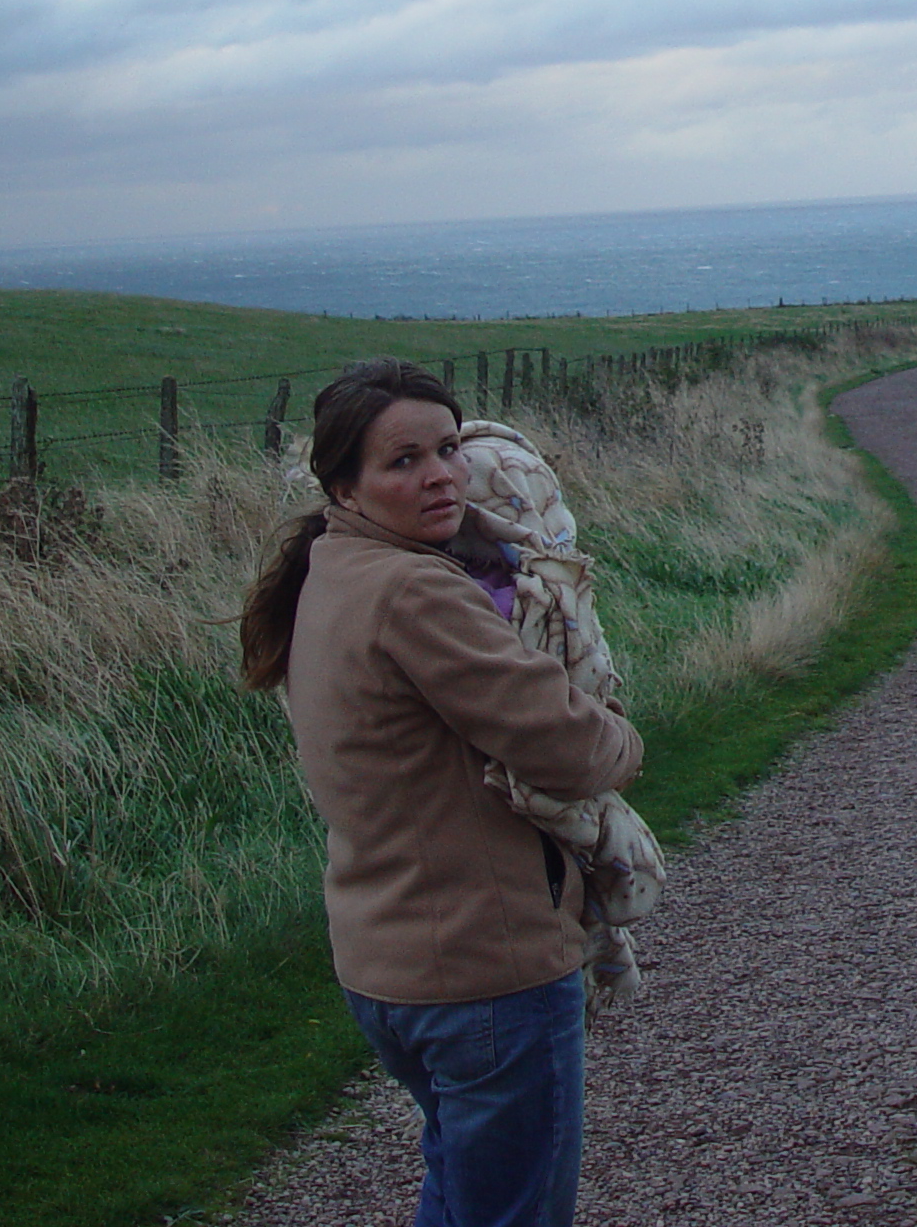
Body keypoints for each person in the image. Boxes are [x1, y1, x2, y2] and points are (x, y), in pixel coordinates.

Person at [242, 358, 641, 1227]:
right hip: (482, 970)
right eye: (403, 460)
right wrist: (621, 733)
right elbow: (574, 748)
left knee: (465, 1195)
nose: (440, 477)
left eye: (449, 449)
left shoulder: (334, 570)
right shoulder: (419, 591)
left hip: (392, 962)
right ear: (343, 482)